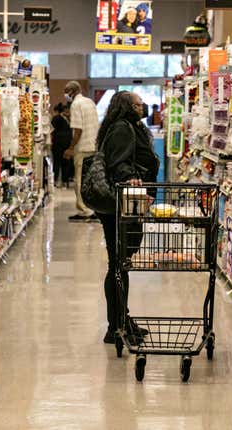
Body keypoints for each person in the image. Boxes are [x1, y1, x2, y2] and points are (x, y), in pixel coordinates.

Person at [96, 91, 159, 344]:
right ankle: (115, 327)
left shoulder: (128, 126)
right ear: (126, 107)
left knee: (121, 263)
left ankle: (122, 319)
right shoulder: (122, 128)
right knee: (118, 264)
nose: (142, 106)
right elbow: (119, 165)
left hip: (126, 204)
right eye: (137, 104)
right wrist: (133, 183)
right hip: (119, 205)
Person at [63, 81, 99, 222]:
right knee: (91, 180)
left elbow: (78, 130)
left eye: (66, 91)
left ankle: (84, 211)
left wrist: (71, 148)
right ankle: (94, 208)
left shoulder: (76, 105)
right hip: (93, 146)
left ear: (72, 91)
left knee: (79, 180)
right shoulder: (89, 102)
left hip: (82, 147)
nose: (65, 94)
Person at [51, 103, 74, 188]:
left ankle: (63, 180)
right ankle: (57, 180)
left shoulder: (68, 119)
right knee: (58, 162)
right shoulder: (59, 118)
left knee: (64, 162)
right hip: (59, 143)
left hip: (64, 143)